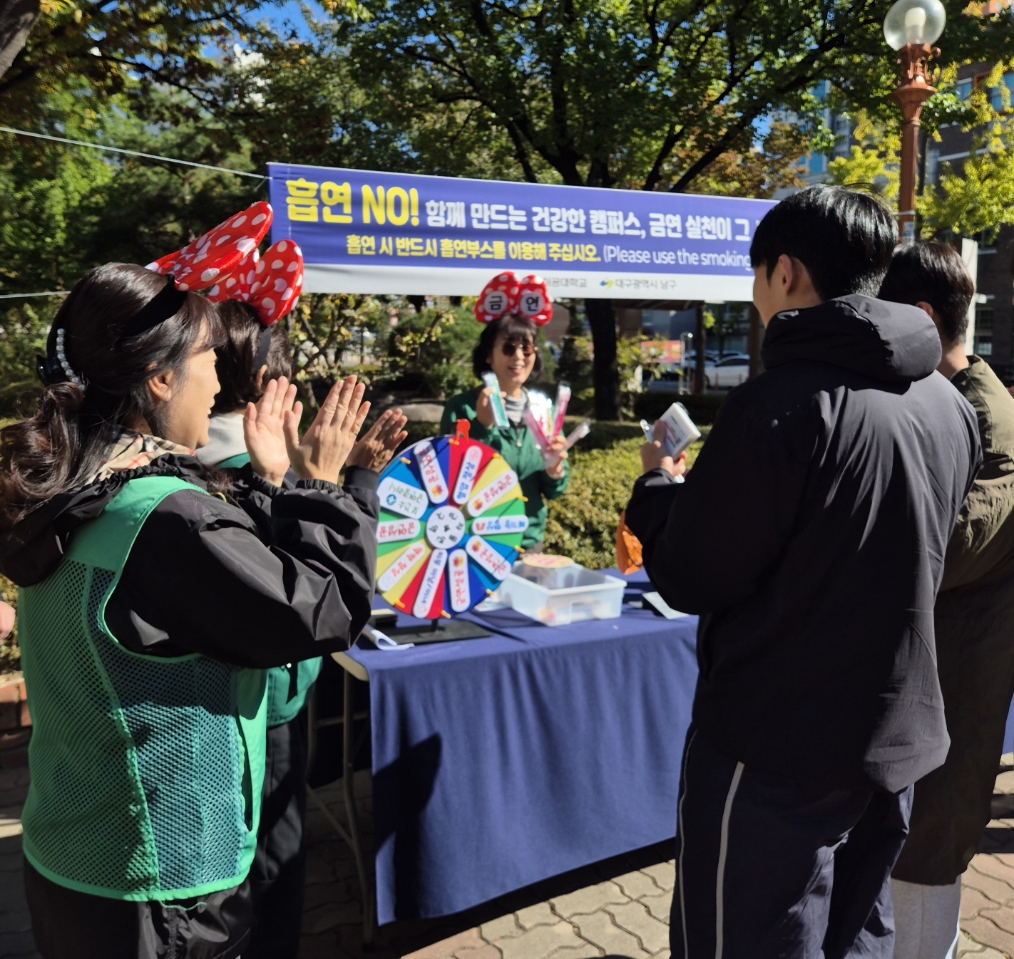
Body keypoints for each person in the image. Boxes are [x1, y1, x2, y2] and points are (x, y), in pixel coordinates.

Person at [624, 186, 982, 958]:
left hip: (774, 749)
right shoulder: (947, 404)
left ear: (784, 272)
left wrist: (655, 489)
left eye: (756, 276)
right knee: (859, 937)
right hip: (893, 741)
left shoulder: (780, 404)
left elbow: (692, 573)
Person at [0, 258, 381, 959]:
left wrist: (268, 481)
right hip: (161, 882)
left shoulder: (76, 489)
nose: (219, 381)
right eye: (208, 357)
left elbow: (230, 584)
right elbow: (322, 611)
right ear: (160, 377)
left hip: (72, 859)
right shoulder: (165, 518)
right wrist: (325, 486)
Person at [198, 267, 407, 959]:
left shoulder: (215, 465)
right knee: (271, 873)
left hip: (248, 709)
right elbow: (326, 602)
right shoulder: (234, 474)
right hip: (259, 712)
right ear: (266, 383)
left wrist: (343, 481)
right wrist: (328, 484)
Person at [878, 242, 1014, 959]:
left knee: (921, 894)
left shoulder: (987, 421)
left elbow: (944, 551)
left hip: (948, 716)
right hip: (922, 711)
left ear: (924, 320)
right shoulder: (946, 400)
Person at [440, 273, 569, 551]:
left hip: (528, 543)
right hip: (477, 543)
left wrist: (555, 471)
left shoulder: (542, 408)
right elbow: (449, 478)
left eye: (527, 348)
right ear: (488, 354)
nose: (519, 357)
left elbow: (553, 491)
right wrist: (481, 426)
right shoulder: (462, 407)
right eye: (509, 347)